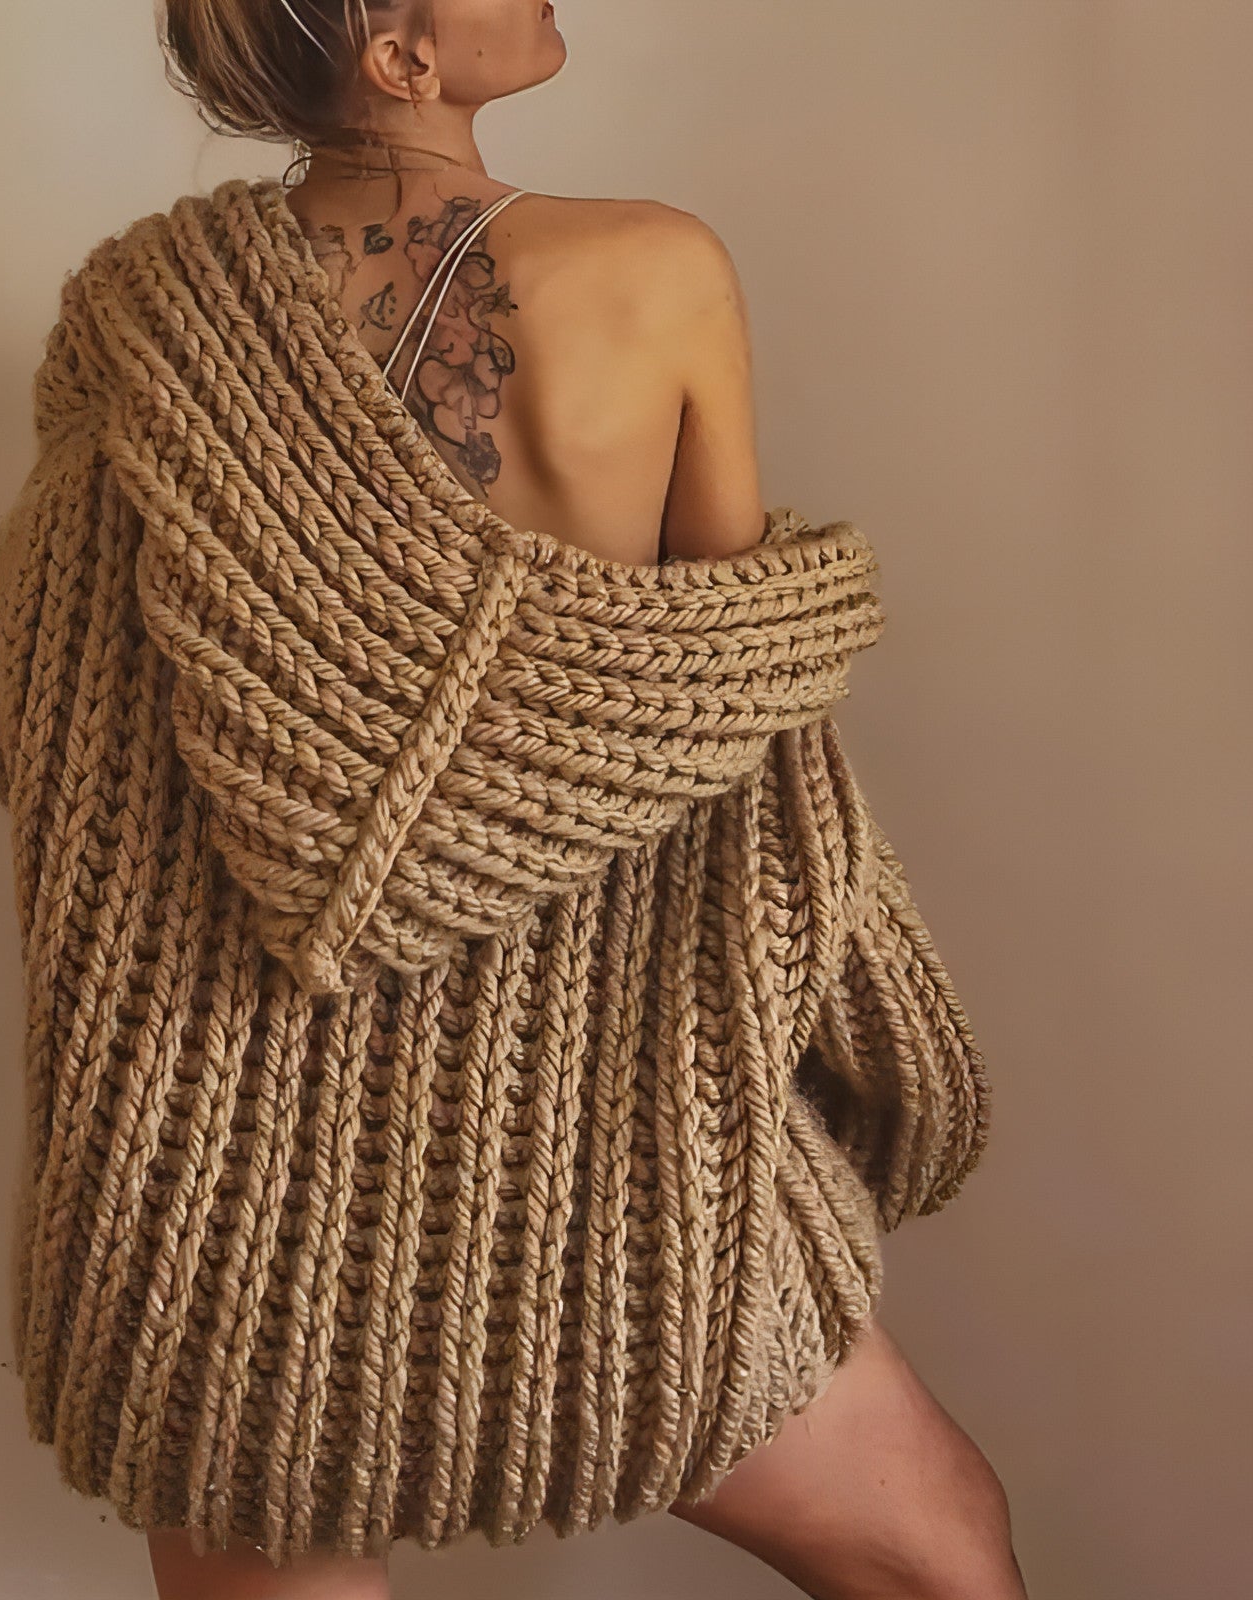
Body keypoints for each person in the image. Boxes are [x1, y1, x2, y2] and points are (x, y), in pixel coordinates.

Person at [124, 4, 1026, 1596]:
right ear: (399, 55)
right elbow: (723, 683)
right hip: (603, 1120)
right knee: (936, 1546)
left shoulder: (153, 320)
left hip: (233, 1155)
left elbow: (52, 686)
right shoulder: (654, 267)